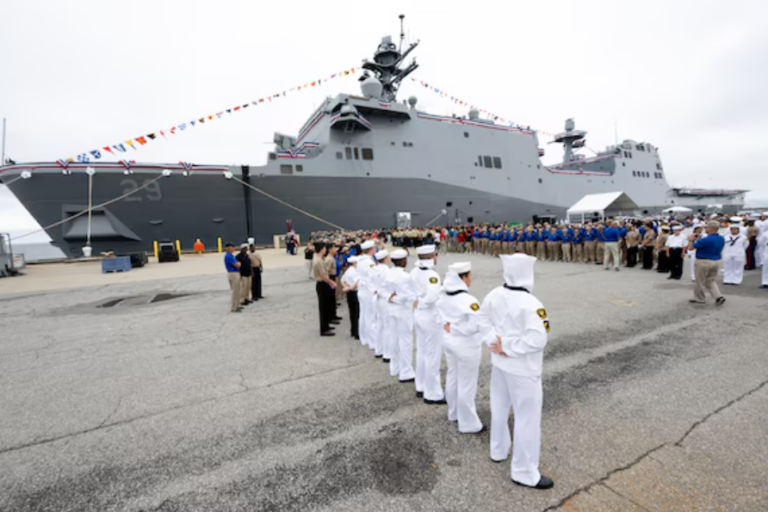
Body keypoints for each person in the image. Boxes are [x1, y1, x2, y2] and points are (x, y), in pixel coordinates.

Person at [482, 253, 554, 490]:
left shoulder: (495, 293)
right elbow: (538, 339)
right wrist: (508, 346)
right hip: (522, 369)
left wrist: (495, 342)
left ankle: (498, 449)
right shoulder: (532, 303)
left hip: (500, 364)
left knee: (499, 408)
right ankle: (524, 472)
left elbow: (481, 319)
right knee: (527, 419)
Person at [436, 262, 486, 434]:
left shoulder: (443, 295)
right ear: (463, 277)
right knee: (467, 384)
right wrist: (457, 328)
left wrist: (450, 326)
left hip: (449, 341)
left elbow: (439, 317)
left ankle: (454, 413)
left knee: (453, 377)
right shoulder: (468, 300)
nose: (471, 278)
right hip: (466, 345)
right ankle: (469, 423)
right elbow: (475, 326)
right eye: (469, 275)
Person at [411, 244, 446, 405]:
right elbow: (432, 296)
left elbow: (410, 290)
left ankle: (421, 385)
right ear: (431, 256)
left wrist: (417, 302)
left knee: (422, 351)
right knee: (433, 354)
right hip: (430, 316)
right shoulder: (432, 275)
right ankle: (432, 393)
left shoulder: (414, 271)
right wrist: (423, 303)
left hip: (418, 315)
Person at [387, 249, 418, 383]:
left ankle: (395, 367)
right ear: (402, 261)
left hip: (391, 310)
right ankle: (406, 371)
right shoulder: (405, 276)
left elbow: (383, 291)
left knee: (394, 339)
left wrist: (391, 298)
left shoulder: (388, 273)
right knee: (405, 341)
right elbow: (407, 296)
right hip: (403, 311)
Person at [688, 220, 725, 305]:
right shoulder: (721, 238)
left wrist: (690, 240)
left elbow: (690, 248)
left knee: (699, 281)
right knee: (710, 280)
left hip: (704, 261)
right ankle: (718, 296)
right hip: (716, 260)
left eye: (706, 227)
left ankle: (700, 298)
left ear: (710, 228)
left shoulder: (706, 239)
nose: (705, 229)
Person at [374, 249, 396, 371]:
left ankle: (379, 349)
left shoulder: (376, 269)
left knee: (380, 324)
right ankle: (387, 353)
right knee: (388, 326)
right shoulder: (386, 270)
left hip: (378, 298)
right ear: (385, 258)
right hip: (385, 298)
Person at [356, 240, 379, 352]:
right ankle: (373, 342)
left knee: (364, 315)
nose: (375, 249)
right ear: (371, 249)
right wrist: (374, 290)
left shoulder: (360, 260)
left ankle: (364, 337)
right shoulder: (368, 262)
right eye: (374, 248)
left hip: (362, 290)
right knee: (371, 317)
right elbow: (371, 278)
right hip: (368, 292)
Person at [312, 242, 337, 336]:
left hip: (323, 283)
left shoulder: (318, 258)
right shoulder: (318, 260)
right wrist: (331, 282)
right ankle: (324, 329)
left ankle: (326, 325)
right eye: (324, 248)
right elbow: (322, 275)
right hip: (323, 284)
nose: (325, 250)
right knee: (323, 307)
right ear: (322, 249)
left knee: (326, 306)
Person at [341, 256, 360, 339]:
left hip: (350, 294)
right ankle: (357, 332)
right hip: (355, 292)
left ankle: (353, 330)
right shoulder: (355, 272)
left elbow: (342, 280)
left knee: (352, 313)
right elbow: (356, 283)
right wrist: (350, 287)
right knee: (357, 313)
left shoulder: (348, 271)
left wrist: (346, 286)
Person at [223, 243, 242, 313]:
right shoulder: (228, 256)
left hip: (235, 273)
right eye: (232, 247)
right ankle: (234, 307)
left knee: (238, 290)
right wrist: (239, 263)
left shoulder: (231, 255)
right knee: (235, 291)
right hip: (233, 273)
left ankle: (237, 304)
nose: (233, 249)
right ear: (228, 248)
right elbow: (237, 265)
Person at [325, 245, 341, 322]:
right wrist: (329, 282)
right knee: (330, 298)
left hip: (333, 277)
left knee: (333, 298)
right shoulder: (329, 259)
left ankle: (333, 315)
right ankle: (330, 317)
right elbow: (326, 271)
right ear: (330, 250)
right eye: (334, 249)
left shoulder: (332, 258)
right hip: (330, 278)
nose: (336, 250)